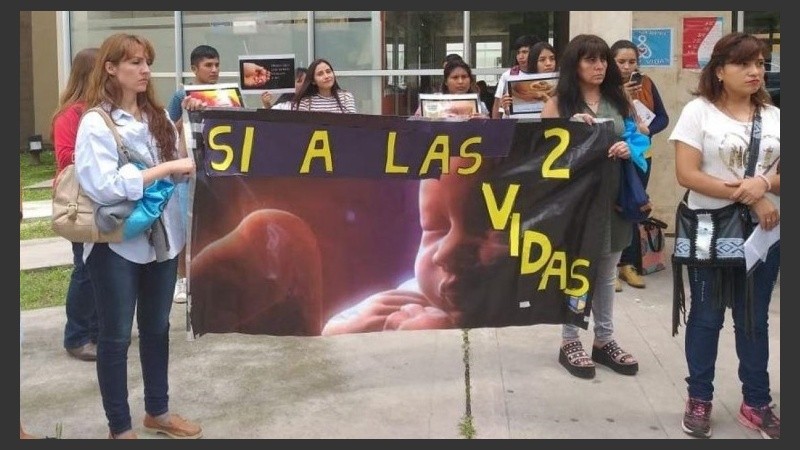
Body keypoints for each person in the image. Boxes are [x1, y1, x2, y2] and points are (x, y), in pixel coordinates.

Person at [74, 33, 201, 439]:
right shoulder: (96, 122)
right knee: (113, 337)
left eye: (147, 61)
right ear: (110, 68)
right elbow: (104, 186)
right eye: (134, 63)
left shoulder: (157, 116)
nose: (145, 69)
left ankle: (157, 412)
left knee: (156, 328)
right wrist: (163, 171)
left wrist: (195, 125)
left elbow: (182, 167)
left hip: (165, 240)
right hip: (118, 244)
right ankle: (119, 427)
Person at [668, 32, 780, 440]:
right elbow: (688, 174)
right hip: (709, 229)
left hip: (765, 234)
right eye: (744, 64)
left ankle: (756, 402)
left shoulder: (775, 116)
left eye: (760, 63)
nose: (755, 72)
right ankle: (699, 399)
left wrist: (765, 184)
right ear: (719, 70)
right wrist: (753, 196)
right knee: (707, 315)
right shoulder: (698, 112)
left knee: (753, 318)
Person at [541, 34, 640, 380]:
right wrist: (570, 133)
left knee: (608, 271)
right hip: (576, 202)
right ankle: (570, 339)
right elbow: (542, 159)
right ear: (574, 65)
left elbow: (639, 139)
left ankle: (605, 339)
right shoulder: (558, 104)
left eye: (603, 60)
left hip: (614, 198)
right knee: (576, 270)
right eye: (590, 60)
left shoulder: (619, 98)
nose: (599, 66)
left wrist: (631, 151)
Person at [321, 156, 508, 335]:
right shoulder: (415, 297)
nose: (442, 254)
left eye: (489, 234)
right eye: (437, 229)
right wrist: (355, 330)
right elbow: (329, 334)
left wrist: (437, 345)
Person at [50, 47, 100, 361]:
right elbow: (65, 156)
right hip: (79, 202)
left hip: (102, 198)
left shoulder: (103, 109)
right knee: (84, 268)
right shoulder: (71, 114)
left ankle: (94, 329)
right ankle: (77, 335)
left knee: (98, 268)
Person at [610, 39, 669, 291]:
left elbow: (663, 118)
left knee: (634, 205)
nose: (626, 66)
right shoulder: (605, 88)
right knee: (613, 206)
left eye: (631, 61)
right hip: (613, 154)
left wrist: (649, 128)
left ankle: (628, 264)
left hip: (641, 155)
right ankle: (609, 267)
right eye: (621, 61)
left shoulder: (647, 84)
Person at [167, 44, 220, 304]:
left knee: (215, 226)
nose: (214, 70)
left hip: (218, 168)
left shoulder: (226, 94)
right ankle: (183, 279)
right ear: (194, 68)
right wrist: (186, 113)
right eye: (208, 65)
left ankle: (211, 277)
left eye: (217, 65)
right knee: (185, 228)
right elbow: (168, 132)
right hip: (188, 168)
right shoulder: (180, 96)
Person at [415, 59, 490, 118]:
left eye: (464, 77)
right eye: (455, 77)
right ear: (446, 82)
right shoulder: (430, 103)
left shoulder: (480, 106)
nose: (460, 81)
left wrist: (483, 121)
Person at [500, 41, 558, 115]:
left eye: (552, 58)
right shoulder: (521, 84)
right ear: (534, 62)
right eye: (542, 60)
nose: (548, 63)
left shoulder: (564, 84)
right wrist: (508, 109)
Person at [492, 34, 540, 119]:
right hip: (512, 126)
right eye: (518, 53)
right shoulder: (508, 75)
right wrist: (502, 107)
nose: (520, 57)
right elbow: (497, 107)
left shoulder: (542, 74)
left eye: (525, 52)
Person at [292, 59, 357, 113]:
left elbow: (352, 126)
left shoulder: (346, 97)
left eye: (328, 72)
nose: (326, 76)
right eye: (320, 74)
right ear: (313, 81)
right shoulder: (305, 102)